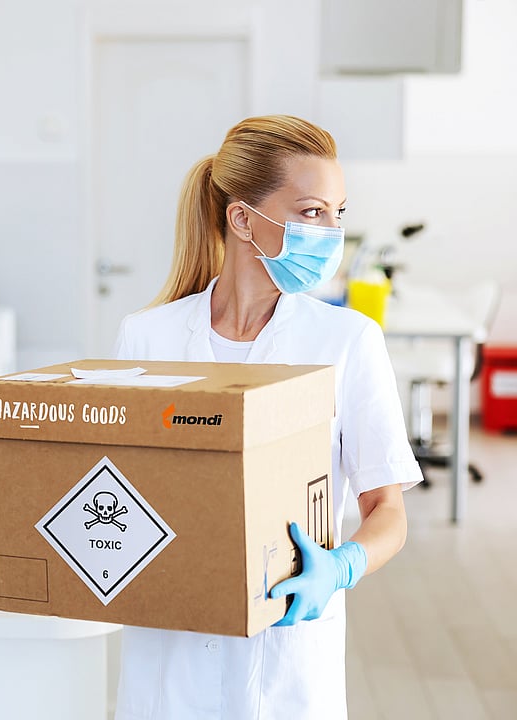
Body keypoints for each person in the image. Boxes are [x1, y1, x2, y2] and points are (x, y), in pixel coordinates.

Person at [112, 115, 422, 720]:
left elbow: (388, 512)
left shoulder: (347, 341)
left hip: (287, 664)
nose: (330, 233)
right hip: (167, 664)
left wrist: (340, 568)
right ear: (242, 218)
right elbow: (119, 495)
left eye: (338, 213)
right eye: (310, 212)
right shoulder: (148, 338)